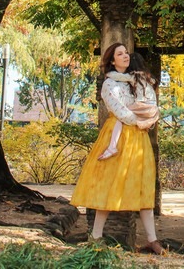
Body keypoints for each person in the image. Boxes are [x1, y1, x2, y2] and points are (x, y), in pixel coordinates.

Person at [70, 43, 164, 255]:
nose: (125, 56)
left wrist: (145, 117)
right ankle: (95, 237)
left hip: (138, 138)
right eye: (119, 54)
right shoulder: (109, 84)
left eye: (125, 53)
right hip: (120, 135)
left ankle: (152, 239)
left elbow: (148, 104)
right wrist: (139, 120)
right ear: (112, 60)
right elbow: (120, 111)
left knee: (142, 184)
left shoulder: (135, 80)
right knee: (108, 183)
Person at [98, 52, 159, 160]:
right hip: (152, 108)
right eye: (120, 54)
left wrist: (108, 74)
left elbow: (119, 76)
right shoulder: (147, 77)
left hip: (143, 105)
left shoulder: (135, 76)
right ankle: (112, 147)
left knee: (119, 117)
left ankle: (112, 146)